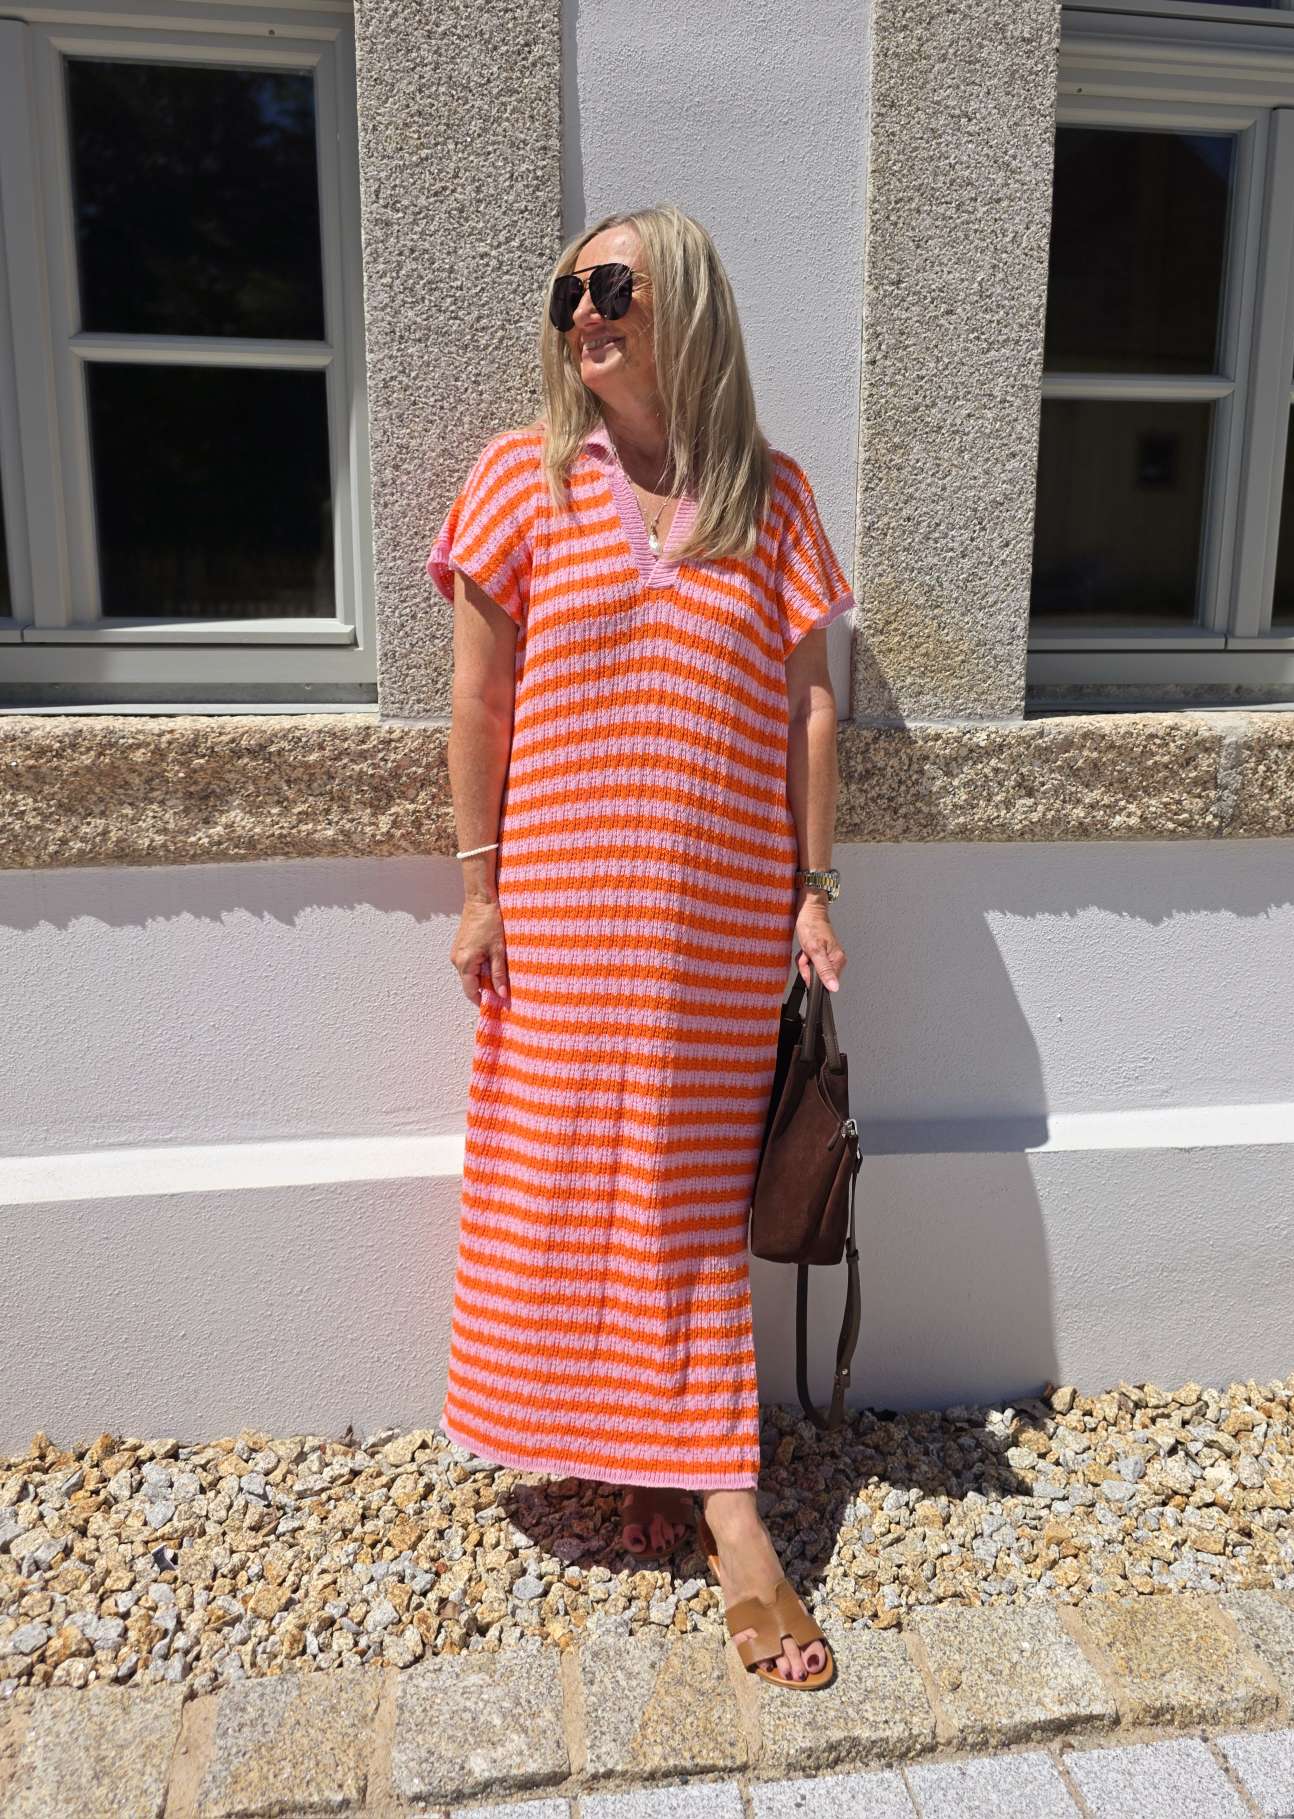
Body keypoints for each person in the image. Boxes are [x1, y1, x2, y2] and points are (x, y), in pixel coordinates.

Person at [428, 203, 853, 1687]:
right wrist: (480, 887)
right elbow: (479, 702)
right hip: (564, 909)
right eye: (568, 295)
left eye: (612, 285)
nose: (586, 314)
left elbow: (809, 708)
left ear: (685, 303)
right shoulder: (523, 478)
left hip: (720, 919)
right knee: (559, 1180)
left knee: (679, 1196)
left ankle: (719, 1499)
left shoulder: (773, 498)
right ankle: (628, 1452)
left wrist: (813, 886)